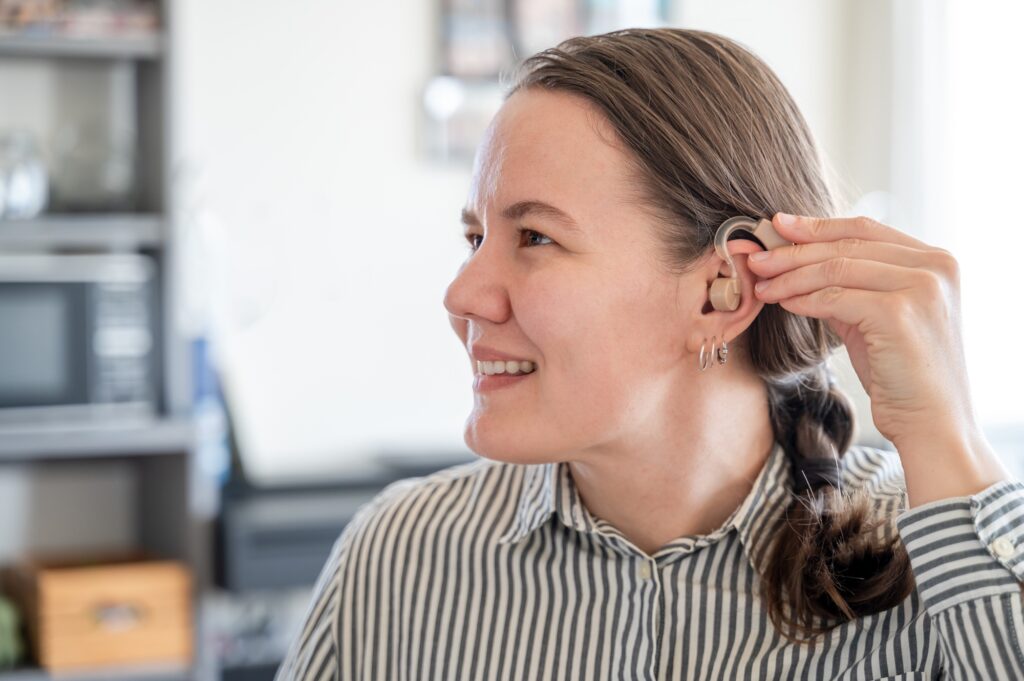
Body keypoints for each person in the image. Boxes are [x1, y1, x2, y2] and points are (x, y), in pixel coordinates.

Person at [276, 28, 1024, 680]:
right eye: (475, 238)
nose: (462, 294)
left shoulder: (934, 568)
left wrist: (943, 434)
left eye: (534, 237)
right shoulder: (395, 559)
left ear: (721, 292)